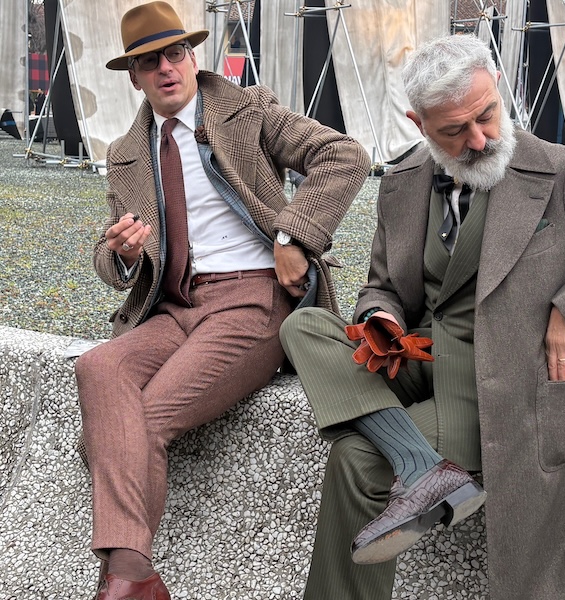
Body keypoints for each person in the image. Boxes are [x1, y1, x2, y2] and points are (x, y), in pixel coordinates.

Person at [280, 34, 565, 599]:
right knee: (303, 326)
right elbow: (383, 285)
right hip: (417, 358)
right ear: (418, 124)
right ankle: (422, 464)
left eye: (486, 115)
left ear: (497, 87)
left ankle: (417, 467)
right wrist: (380, 315)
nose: (479, 139)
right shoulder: (402, 182)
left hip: (500, 386)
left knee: (357, 459)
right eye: (455, 130)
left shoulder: (563, 174)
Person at [74, 2, 370, 598]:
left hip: (253, 299)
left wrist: (293, 237)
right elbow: (110, 260)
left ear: (192, 57)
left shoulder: (246, 109)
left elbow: (344, 156)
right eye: (150, 62)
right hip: (175, 305)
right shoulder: (126, 152)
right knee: (97, 366)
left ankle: (125, 581)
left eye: (175, 53)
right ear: (133, 77)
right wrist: (124, 253)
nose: (166, 68)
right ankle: (135, 582)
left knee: (141, 421)